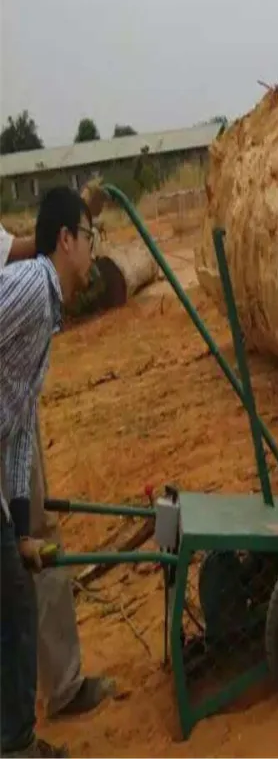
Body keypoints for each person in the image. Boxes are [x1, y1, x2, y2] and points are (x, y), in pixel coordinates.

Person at [0, 186, 105, 758]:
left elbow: (16, 428)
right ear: (65, 240)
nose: (92, 250)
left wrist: (20, 527)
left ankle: (16, 741)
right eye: (88, 237)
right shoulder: (31, 288)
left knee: (13, 592)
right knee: (13, 604)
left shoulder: (47, 311)